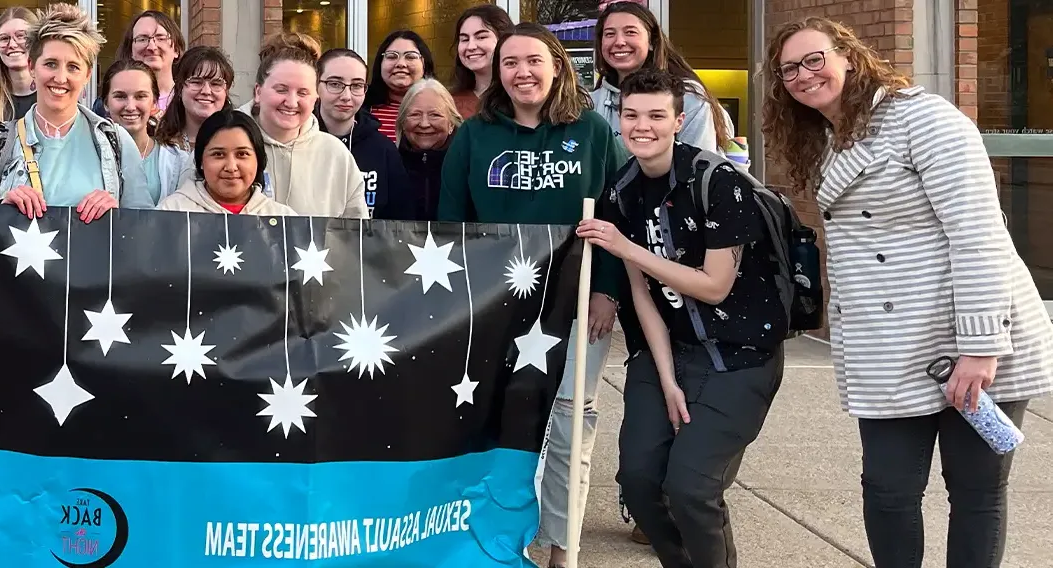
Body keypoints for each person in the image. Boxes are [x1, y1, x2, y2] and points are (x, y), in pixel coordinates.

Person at [763, 17, 1053, 567]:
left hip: (967, 337)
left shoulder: (922, 118)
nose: (804, 76)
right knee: (889, 490)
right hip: (892, 345)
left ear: (848, 54)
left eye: (814, 59)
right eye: (789, 70)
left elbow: (977, 234)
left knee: (975, 491)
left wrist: (980, 346)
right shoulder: (824, 138)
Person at [577, 67, 786, 568]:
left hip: (739, 354)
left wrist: (628, 247)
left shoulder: (718, 182)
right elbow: (640, 295)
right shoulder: (622, 190)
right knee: (640, 484)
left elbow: (714, 287)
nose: (641, 126)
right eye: (630, 115)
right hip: (666, 350)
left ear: (679, 120)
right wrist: (667, 379)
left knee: (691, 488)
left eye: (655, 115)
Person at [436, 22, 626, 568]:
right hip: (495, 304)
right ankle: (498, 537)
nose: (523, 72)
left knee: (569, 419)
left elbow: (617, 216)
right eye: (511, 62)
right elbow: (453, 221)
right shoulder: (475, 134)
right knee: (496, 417)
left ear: (557, 66)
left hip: (577, 300)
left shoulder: (591, 132)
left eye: (534, 61)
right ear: (498, 72)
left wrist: (608, 292)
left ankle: (562, 550)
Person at [0, 2, 152, 220]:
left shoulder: (116, 141)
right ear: (32, 67)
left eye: (73, 67)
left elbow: (143, 226)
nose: (60, 78)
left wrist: (118, 215)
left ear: (87, 74)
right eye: (50, 64)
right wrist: (1, 208)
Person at [241, 32, 367, 218]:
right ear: (258, 92)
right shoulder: (222, 143)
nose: (292, 102)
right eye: (281, 89)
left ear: (316, 97)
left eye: (302, 93)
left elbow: (357, 235)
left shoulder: (336, 156)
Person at [590, 1, 732, 154]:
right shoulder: (590, 103)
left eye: (630, 32)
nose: (619, 42)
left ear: (651, 42)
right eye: (610, 34)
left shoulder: (689, 97)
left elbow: (699, 168)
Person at [314, 48, 405, 219]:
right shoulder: (297, 142)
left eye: (356, 86)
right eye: (335, 84)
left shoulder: (384, 150)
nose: (346, 96)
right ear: (316, 85)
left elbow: (399, 221)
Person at [158, 109, 296, 216]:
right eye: (218, 154)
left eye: (242, 154)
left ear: (258, 159)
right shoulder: (171, 212)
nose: (231, 167)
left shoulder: (282, 220)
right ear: (200, 161)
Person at [152, 46, 233, 201]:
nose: (206, 91)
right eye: (196, 82)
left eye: (216, 84)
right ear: (180, 87)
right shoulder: (157, 145)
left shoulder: (241, 144)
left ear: (226, 91)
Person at [379, 78, 459, 221]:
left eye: (435, 115)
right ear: (402, 122)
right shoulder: (386, 165)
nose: (424, 123)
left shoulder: (466, 168)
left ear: (451, 124)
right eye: (415, 114)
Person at [92, 10, 182, 117]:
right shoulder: (104, 106)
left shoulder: (190, 100)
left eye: (161, 38)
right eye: (142, 39)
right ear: (130, 50)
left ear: (176, 49)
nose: (152, 47)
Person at [101, 59, 166, 204]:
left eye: (140, 96)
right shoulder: (91, 153)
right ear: (106, 103)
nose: (130, 106)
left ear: (154, 102)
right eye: (120, 96)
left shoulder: (174, 160)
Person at [363, 31, 434, 143]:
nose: (401, 64)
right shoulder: (360, 107)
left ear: (424, 63)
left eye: (410, 57)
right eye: (391, 56)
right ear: (380, 63)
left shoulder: (441, 108)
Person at [0, 6, 40, 122]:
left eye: (21, 36)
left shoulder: (53, 96)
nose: (12, 44)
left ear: (36, 41)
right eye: (4, 38)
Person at [450, 4, 513, 118]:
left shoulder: (521, 98)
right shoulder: (449, 103)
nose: (471, 46)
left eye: (481, 37)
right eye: (464, 39)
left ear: (504, 40)